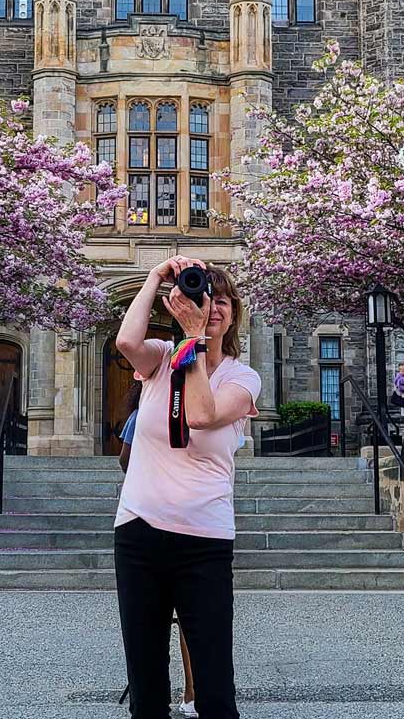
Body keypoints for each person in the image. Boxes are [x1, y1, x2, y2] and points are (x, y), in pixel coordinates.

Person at [114, 256, 260, 719]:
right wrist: (155, 276)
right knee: (147, 683)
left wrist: (194, 340)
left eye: (222, 300)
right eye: (203, 296)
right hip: (138, 531)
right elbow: (125, 340)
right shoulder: (159, 359)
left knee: (215, 688)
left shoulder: (242, 378)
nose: (211, 306)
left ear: (234, 312)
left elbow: (200, 414)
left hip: (204, 540)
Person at [117, 380, 198, 718]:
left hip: (176, 520)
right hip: (169, 517)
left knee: (169, 621)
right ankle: (188, 693)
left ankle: (190, 693)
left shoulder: (155, 411)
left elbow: (125, 459)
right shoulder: (147, 412)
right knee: (179, 618)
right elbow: (125, 458)